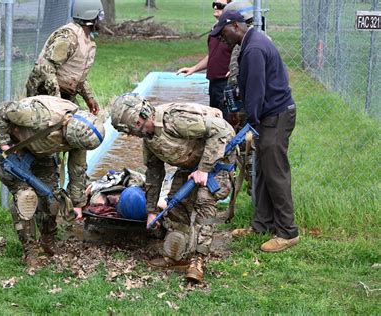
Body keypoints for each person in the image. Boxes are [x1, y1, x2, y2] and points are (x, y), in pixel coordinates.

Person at [110, 94, 236, 283]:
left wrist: (204, 169)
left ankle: (198, 260)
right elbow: (154, 173)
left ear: (141, 117)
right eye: (128, 131)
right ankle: (176, 256)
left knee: (204, 199)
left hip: (217, 161)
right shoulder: (149, 139)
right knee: (176, 203)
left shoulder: (175, 120)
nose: (133, 134)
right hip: (191, 164)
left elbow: (223, 130)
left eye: (132, 127)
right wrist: (151, 211)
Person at [210, 10, 299, 252]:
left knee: (276, 174)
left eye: (223, 32)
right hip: (268, 116)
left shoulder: (254, 49)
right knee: (262, 173)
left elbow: (257, 90)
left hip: (275, 116)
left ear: (236, 26)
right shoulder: (250, 44)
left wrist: (249, 119)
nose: (222, 38)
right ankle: (261, 225)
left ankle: (288, 232)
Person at [0, 95, 105, 267]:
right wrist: (3, 143)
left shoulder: (81, 136)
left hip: (41, 153)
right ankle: (30, 250)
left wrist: (77, 203)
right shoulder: (42, 117)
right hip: (13, 153)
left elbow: (77, 170)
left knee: (51, 198)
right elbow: (4, 110)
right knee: (26, 198)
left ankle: (48, 241)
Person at [26, 0, 104, 115]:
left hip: (63, 94)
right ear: (91, 17)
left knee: (83, 125)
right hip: (43, 93)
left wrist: (89, 98)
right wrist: (57, 101)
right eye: (100, 16)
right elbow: (46, 66)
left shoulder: (85, 40)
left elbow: (76, 75)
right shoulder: (68, 38)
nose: (100, 21)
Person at [176, 0, 232, 118]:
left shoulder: (234, 31)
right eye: (214, 4)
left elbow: (243, 53)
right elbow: (212, 56)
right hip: (214, 83)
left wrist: (238, 69)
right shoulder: (215, 29)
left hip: (226, 83)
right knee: (214, 119)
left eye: (220, 5)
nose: (216, 7)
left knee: (226, 121)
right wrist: (193, 68)